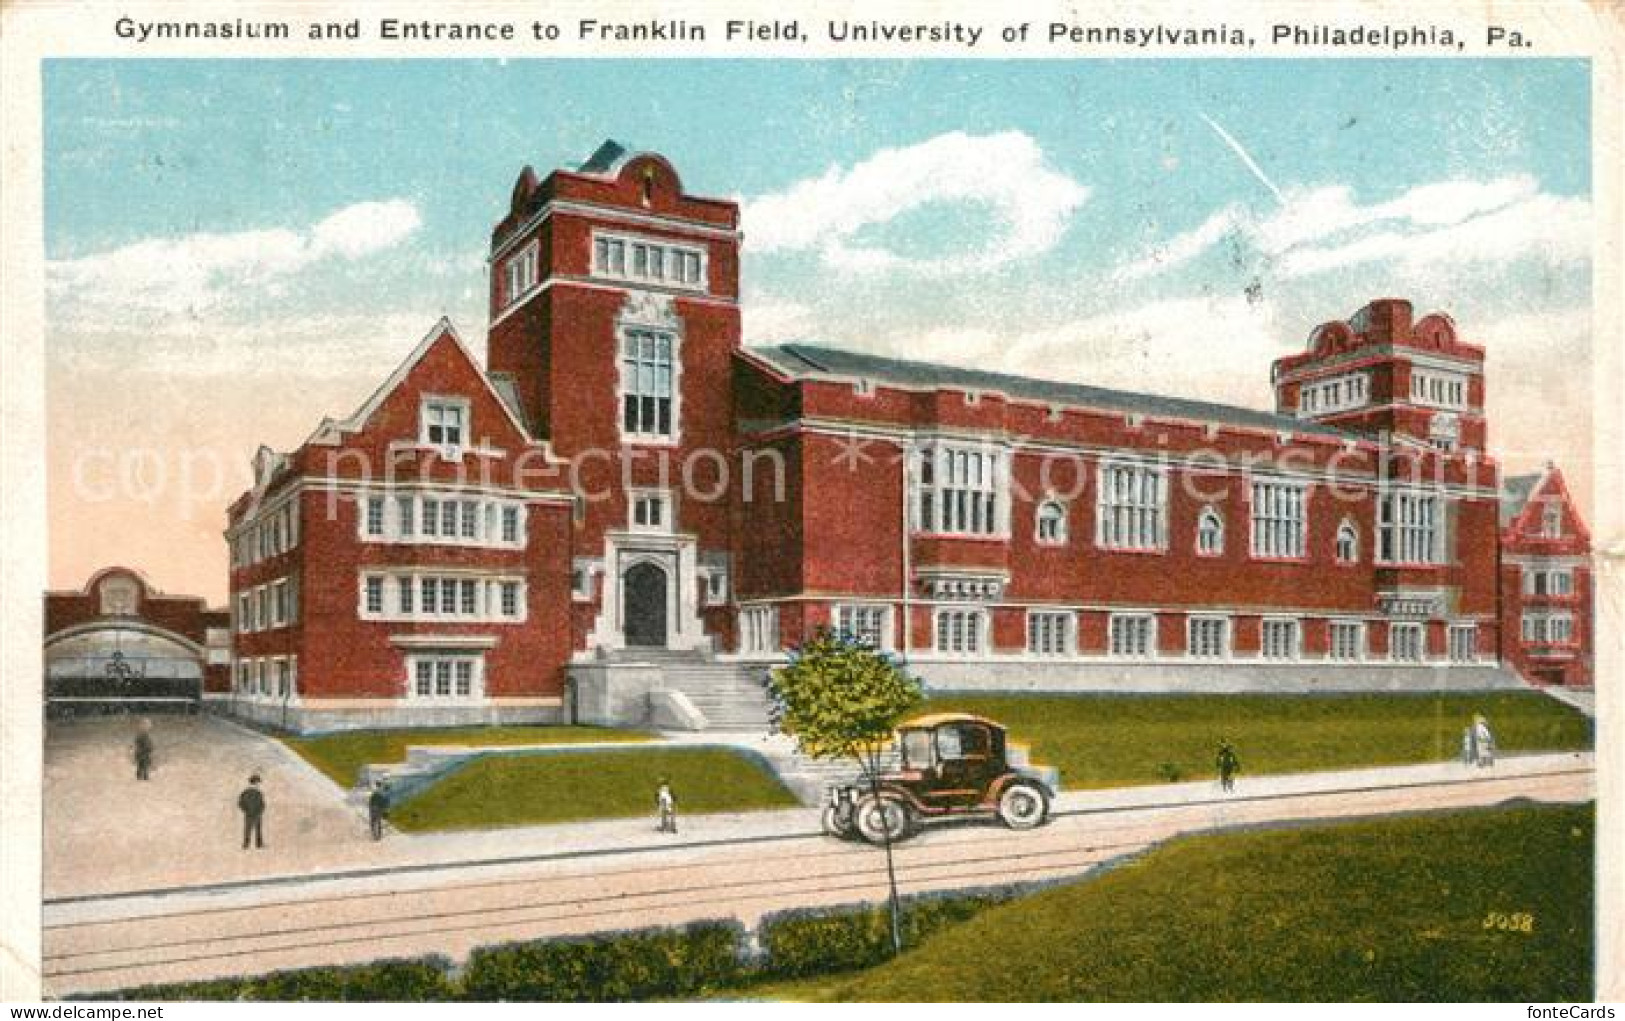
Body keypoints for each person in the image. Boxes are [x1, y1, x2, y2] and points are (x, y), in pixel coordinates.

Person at [238, 774, 266, 850]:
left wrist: (246, 810)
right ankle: (258, 844)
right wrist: (260, 811)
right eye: (258, 782)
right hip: (256, 814)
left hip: (249, 814)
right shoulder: (258, 793)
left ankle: (246, 845)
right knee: (257, 829)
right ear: (255, 782)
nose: (258, 784)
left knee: (248, 829)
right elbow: (262, 804)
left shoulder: (245, 792)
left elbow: (240, 803)